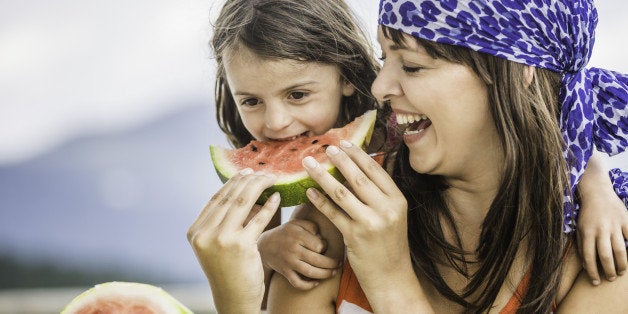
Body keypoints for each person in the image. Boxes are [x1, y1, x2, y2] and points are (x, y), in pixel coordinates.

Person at [188, 0, 627, 312]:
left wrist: (390, 276)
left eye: (412, 66)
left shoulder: (604, 253)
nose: (378, 88)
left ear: (519, 71)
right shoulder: (336, 215)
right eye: (384, 59)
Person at [187, 0, 388, 311]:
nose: (276, 122)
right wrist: (265, 249)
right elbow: (257, 297)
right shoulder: (257, 188)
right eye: (252, 101)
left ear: (346, 77)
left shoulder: (396, 157)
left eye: (297, 95)